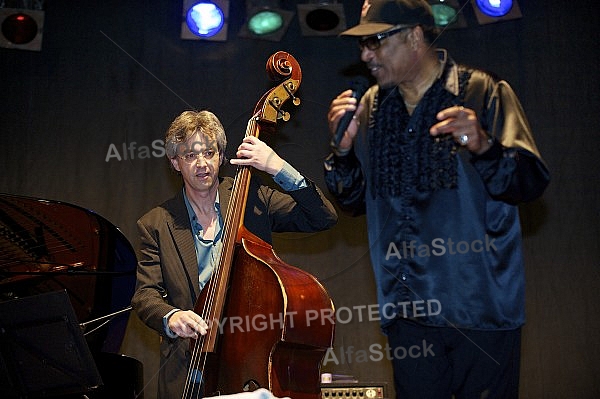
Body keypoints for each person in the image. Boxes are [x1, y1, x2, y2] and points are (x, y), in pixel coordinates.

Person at [324, 1, 550, 398]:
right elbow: (354, 202)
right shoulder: (373, 108)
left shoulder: (483, 91)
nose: (365, 55)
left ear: (414, 36)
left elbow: (530, 183)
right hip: (407, 310)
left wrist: (485, 147)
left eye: (375, 41)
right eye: (362, 45)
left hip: (479, 309)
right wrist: (342, 154)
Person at [131, 110, 337, 399]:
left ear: (221, 156)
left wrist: (278, 167)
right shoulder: (155, 223)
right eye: (190, 156)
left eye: (209, 152)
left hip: (251, 363)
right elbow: (146, 295)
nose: (202, 164)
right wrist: (172, 316)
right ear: (175, 162)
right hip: (189, 366)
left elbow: (322, 218)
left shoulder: (253, 199)